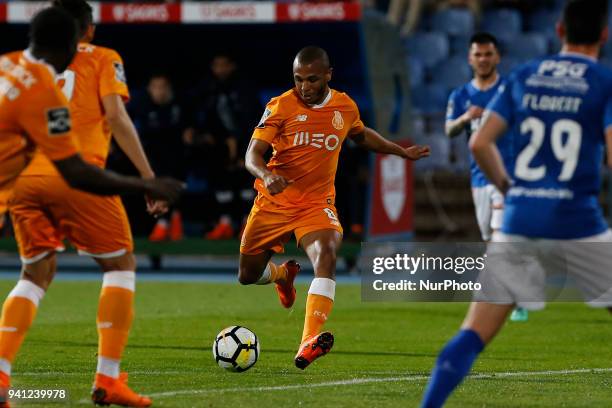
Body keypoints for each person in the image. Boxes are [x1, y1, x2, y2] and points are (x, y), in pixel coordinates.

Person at [421, 1, 612, 406]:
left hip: (521, 218)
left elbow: (478, 142)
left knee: (471, 335)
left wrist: (510, 188)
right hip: (579, 221)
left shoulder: (526, 74)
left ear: (559, 31)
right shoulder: (603, 80)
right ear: (605, 36)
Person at [5, 1, 177, 406]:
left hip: (24, 180)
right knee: (119, 265)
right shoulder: (102, 58)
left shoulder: (11, 65)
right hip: (78, 176)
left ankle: (0, 376)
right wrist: (148, 179)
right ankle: (108, 379)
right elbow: (116, 116)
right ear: (88, 30)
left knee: (34, 272)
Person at [239, 46, 430, 369]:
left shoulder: (344, 106)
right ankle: (282, 276)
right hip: (273, 202)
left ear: (329, 74)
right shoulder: (280, 106)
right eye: (299, 80)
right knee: (247, 275)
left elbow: (361, 135)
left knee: (326, 255)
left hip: (316, 204)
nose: (305, 87)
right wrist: (267, 174)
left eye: (312, 79)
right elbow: (252, 155)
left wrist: (400, 151)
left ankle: (308, 342)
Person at [445, 32, 528, 322]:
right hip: (478, 177)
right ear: (470, 59)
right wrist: (466, 118)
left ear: (497, 57)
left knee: (499, 238)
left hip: (505, 175)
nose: (483, 59)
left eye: (488, 54)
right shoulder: (460, 96)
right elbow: (449, 131)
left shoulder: (510, 90)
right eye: (478, 54)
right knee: (490, 236)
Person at [185, 53, 261, 239]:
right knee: (220, 181)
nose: (220, 69)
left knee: (246, 183)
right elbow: (202, 115)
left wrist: (241, 146)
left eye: (224, 65)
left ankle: (246, 223)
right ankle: (225, 222)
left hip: (247, 142)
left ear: (232, 66)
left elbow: (255, 119)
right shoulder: (208, 88)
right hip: (219, 145)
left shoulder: (245, 88)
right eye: (216, 65)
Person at [131, 72, 188, 241]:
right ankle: (163, 222)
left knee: (177, 181)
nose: (159, 91)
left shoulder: (181, 106)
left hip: (177, 156)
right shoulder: (141, 106)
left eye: (163, 87)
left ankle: (173, 220)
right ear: (149, 89)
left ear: (169, 89)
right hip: (152, 157)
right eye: (155, 87)